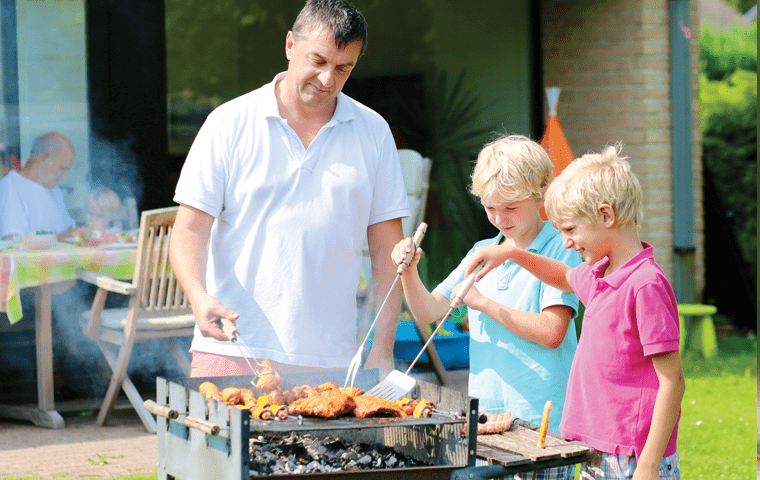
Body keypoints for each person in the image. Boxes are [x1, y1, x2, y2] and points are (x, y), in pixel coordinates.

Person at [170, 0, 409, 376]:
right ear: (289, 46)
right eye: (318, 60)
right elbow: (188, 230)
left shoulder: (373, 130)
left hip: (332, 360)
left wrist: (382, 347)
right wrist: (198, 298)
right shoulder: (228, 123)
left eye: (343, 68)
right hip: (233, 347)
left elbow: (387, 252)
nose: (328, 79)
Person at [465, 145, 684, 480]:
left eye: (570, 230)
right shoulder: (600, 275)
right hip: (596, 450)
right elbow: (564, 277)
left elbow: (673, 381)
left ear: (607, 216)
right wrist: (512, 253)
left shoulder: (645, 285)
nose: (566, 242)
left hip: (632, 456)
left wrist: (649, 465)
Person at [392, 134, 581, 480]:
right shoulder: (481, 250)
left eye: (510, 207)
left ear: (539, 192)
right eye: (491, 207)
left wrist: (482, 303)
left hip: (544, 424)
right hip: (487, 422)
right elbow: (428, 312)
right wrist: (409, 271)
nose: (499, 217)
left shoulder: (561, 247)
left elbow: (552, 332)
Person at [0, 132, 76, 240]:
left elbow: (67, 232)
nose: (65, 177)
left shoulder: (53, 189)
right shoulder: (11, 187)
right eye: (62, 168)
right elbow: (12, 241)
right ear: (44, 158)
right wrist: (59, 238)